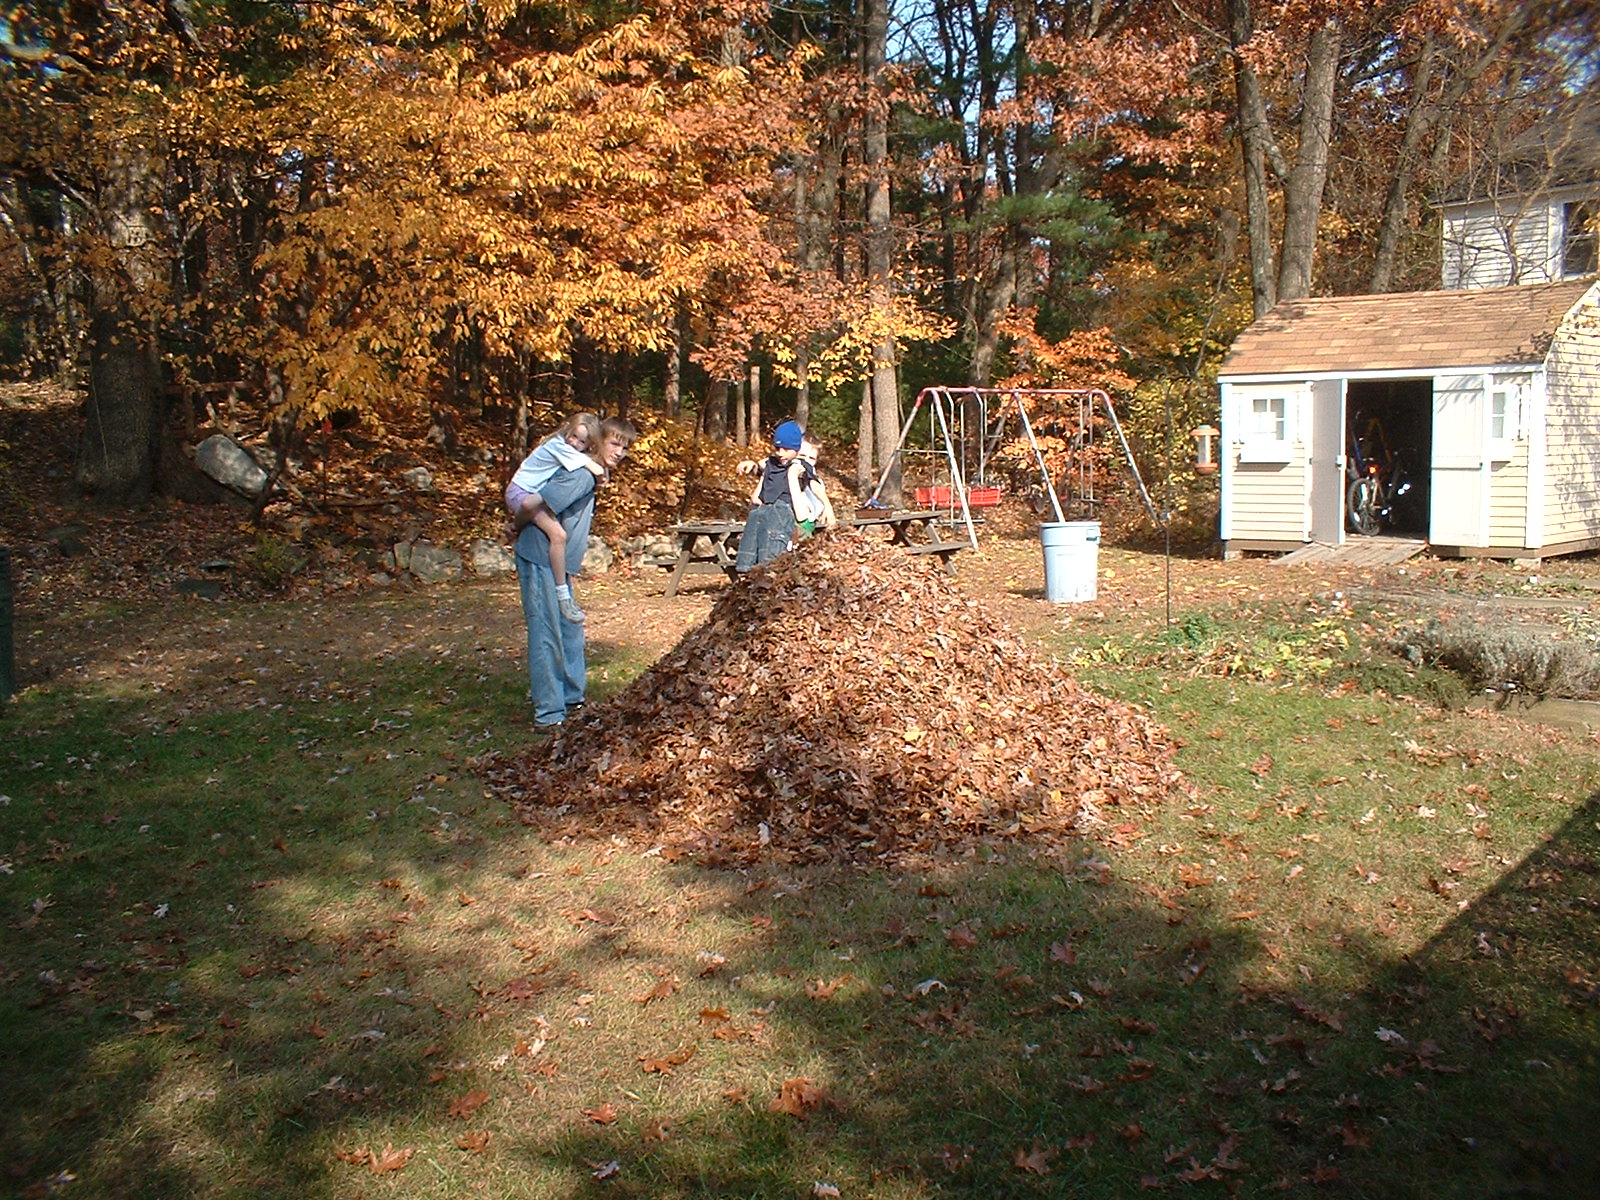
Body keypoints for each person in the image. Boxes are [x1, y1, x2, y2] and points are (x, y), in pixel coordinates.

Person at [515, 414, 636, 727]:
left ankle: (572, 699)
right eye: (614, 444)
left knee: (570, 628)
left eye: (625, 448)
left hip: (560, 566)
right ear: (597, 442)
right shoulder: (580, 476)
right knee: (547, 632)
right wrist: (514, 527)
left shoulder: (592, 475)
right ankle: (550, 713)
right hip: (540, 556)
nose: (620, 452)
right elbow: (532, 505)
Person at [506, 412, 608, 624]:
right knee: (558, 535)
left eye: (582, 441)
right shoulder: (558, 446)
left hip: (525, 493)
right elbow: (597, 469)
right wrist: (600, 480)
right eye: (574, 436)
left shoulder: (564, 447)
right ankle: (563, 596)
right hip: (520, 493)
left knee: (553, 531)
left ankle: (515, 527)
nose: (575, 443)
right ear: (567, 429)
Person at [734, 419, 807, 572]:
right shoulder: (770, 463)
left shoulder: (799, 467)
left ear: (796, 449)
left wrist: (827, 508)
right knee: (747, 555)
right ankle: (745, 577)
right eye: (777, 448)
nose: (781, 453)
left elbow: (816, 485)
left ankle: (768, 575)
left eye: (786, 449)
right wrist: (751, 464)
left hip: (781, 514)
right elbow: (759, 467)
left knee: (770, 559)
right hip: (761, 511)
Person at [794, 434, 836, 535]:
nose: (806, 461)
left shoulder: (815, 478)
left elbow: (815, 486)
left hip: (806, 524)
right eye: (802, 456)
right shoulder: (792, 466)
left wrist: (825, 508)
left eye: (811, 458)